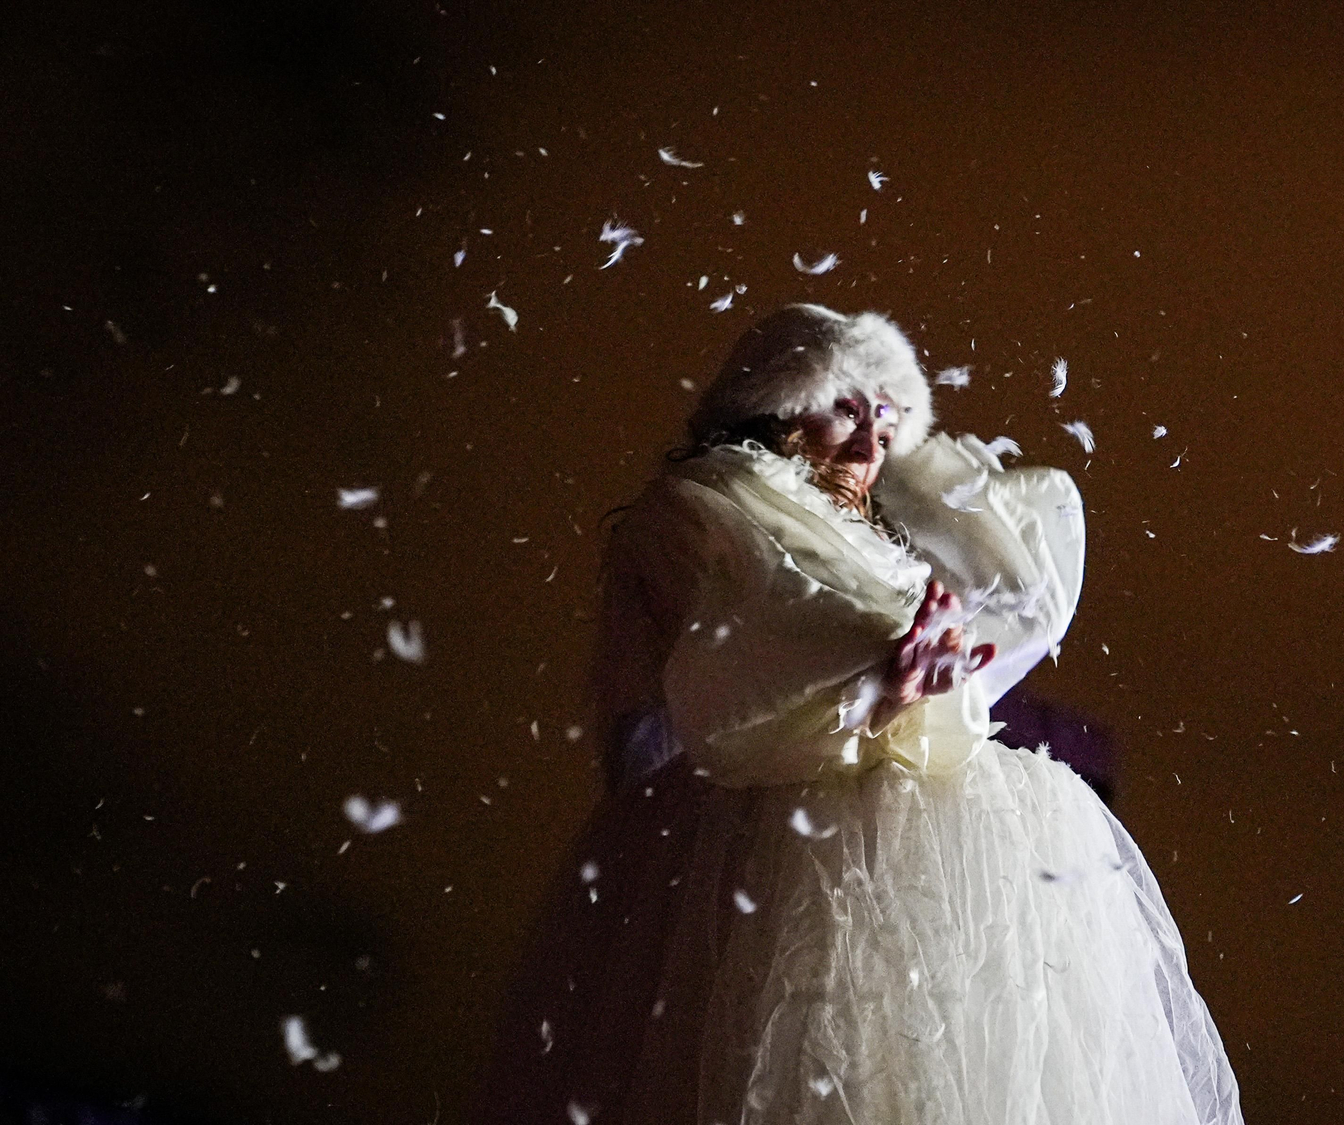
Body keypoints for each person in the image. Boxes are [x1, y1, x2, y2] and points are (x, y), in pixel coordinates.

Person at [472, 304, 1241, 1125]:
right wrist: (877, 685)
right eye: (847, 406)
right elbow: (736, 667)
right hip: (777, 849)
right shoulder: (701, 515)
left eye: (889, 418)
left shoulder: (890, 537)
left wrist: (923, 676)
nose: (873, 441)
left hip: (928, 845)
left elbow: (1003, 604)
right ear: (776, 403)